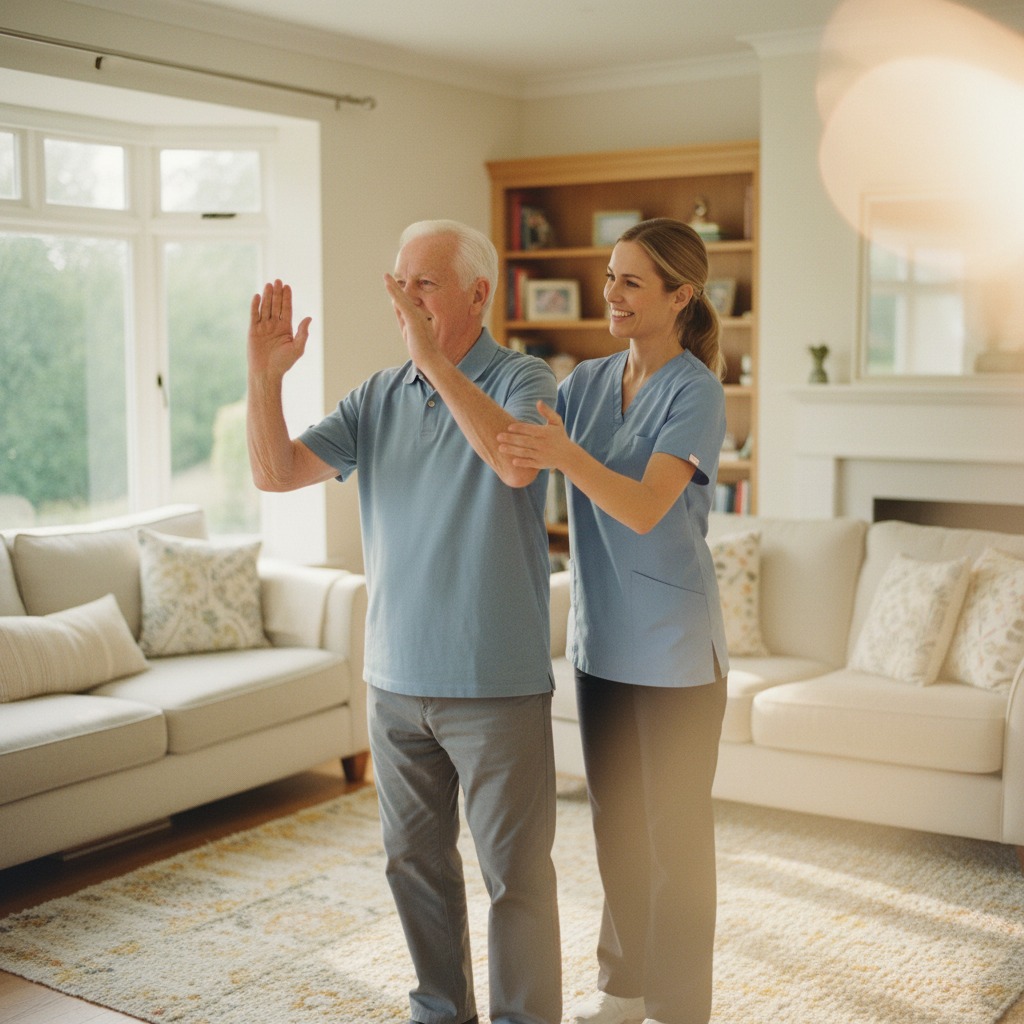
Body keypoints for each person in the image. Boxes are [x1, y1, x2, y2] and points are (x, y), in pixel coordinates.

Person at [246, 220, 561, 1024]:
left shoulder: (527, 379)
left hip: (495, 682)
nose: (402, 297)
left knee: (515, 879)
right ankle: (438, 1013)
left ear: (478, 294)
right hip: (394, 681)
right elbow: (277, 472)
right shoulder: (377, 397)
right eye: (398, 280)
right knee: (413, 867)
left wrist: (434, 364)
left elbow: (514, 461)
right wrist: (264, 376)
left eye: (421, 283)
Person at [497, 218, 730, 1024]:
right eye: (609, 276)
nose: (613, 294)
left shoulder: (697, 390)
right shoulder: (586, 382)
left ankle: (677, 1006)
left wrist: (566, 457)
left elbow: (640, 507)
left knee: (674, 842)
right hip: (600, 644)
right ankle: (623, 990)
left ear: (680, 296)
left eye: (633, 281)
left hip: (674, 652)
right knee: (616, 831)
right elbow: (512, 442)